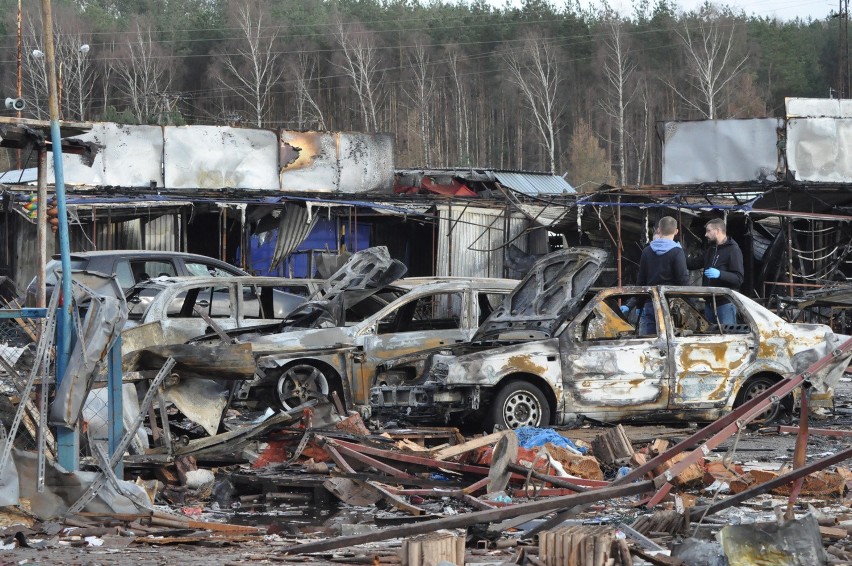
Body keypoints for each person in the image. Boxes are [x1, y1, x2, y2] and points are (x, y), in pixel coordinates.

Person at [620, 216, 689, 335]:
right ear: (676, 231)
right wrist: (689, 303)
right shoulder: (677, 251)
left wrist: (637, 304)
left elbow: (641, 281)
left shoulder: (647, 251)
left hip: (650, 302)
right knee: (670, 340)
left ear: (658, 230)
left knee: (648, 341)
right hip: (670, 305)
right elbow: (683, 280)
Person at [687, 218, 744, 326]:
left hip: (725, 303)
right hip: (709, 303)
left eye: (708, 231)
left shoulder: (733, 250)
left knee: (727, 336)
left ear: (717, 231)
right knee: (711, 337)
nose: (705, 234)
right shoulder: (711, 250)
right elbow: (692, 265)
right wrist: (679, 253)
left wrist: (720, 274)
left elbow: (739, 278)